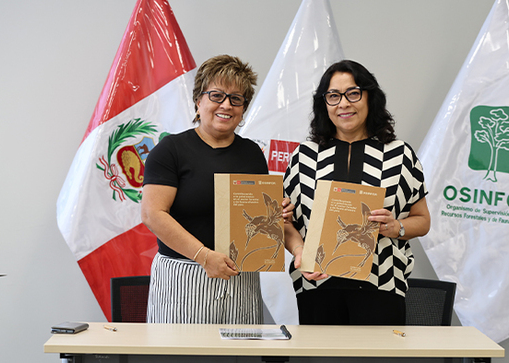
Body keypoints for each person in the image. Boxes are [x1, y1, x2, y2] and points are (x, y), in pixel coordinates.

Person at [141, 54, 292, 324]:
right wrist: (204, 256)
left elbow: (259, 217)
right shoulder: (170, 150)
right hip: (184, 279)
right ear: (198, 100)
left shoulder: (252, 153)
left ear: (243, 109)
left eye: (236, 98)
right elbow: (153, 214)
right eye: (216, 95)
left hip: (240, 279)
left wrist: (276, 214)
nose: (226, 105)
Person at [283, 60, 431, 325]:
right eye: (333, 96)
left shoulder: (399, 154)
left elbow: (422, 220)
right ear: (323, 103)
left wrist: (396, 227)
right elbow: (286, 223)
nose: (343, 104)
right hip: (317, 287)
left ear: (369, 97)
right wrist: (299, 251)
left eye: (353, 93)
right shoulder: (303, 156)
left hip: (382, 286)